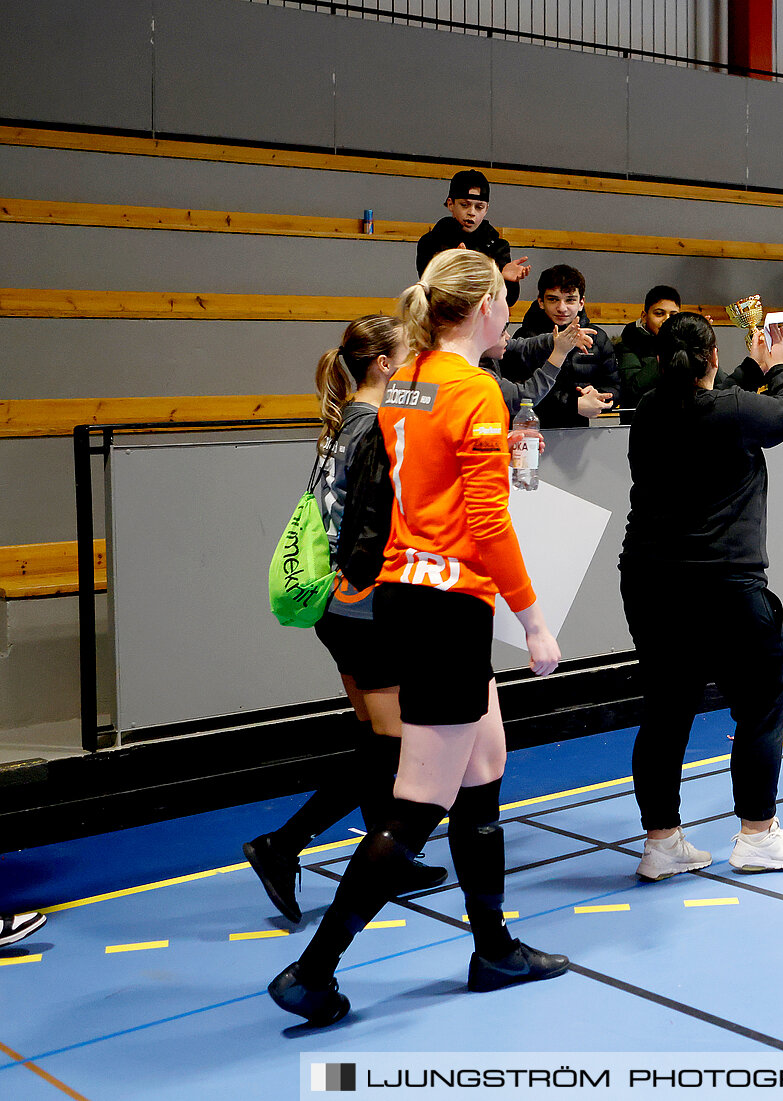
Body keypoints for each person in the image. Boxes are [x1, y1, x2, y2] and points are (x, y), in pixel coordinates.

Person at [269, 251, 568, 1027]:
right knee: (415, 810)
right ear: (482, 309)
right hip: (446, 607)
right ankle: (313, 970)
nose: (512, 308)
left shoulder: (408, 381)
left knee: (487, 764)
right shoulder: (472, 391)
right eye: (506, 297)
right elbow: (488, 519)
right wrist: (533, 617)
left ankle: (494, 946)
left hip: (408, 594)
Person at [245, 316, 448, 926]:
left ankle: (393, 852)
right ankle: (284, 843)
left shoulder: (344, 423)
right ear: (384, 364)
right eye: (408, 354)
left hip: (338, 609)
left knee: (373, 735)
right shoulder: (378, 428)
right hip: (364, 607)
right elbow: (376, 522)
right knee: (391, 743)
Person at [620, 313, 783, 881]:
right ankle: (757, 833)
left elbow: (717, 393)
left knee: (665, 710)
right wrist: (777, 369)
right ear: (711, 358)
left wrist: (751, 366)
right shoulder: (729, 412)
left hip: (651, 582)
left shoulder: (652, 408)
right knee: (759, 703)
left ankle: (661, 843)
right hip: (725, 582)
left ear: (661, 361)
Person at [509, 265, 619, 427]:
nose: (562, 308)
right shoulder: (523, 338)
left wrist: (598, 396)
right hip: (534, 431)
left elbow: (615, 387)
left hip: (582, 435)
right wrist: (573, 404)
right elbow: (519, 394)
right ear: (540, 301)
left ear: (581, 302)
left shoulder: (598, 338)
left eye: (570, 300)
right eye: (553, 299)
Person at [414, 170, 530, 307]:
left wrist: (506, 280)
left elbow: (508, 301)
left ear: (486, 209)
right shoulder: (431, 241)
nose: (472, 213)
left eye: (479, 207)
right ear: (450, 204)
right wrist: (451, 266)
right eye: (465, 205)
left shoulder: (497, 245)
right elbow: (429, 290)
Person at [616, 285, 684, 407]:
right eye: (659, 314)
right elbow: (632, 390)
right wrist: (668, 351)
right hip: (641, 421)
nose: (667, 320)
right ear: (644, 316)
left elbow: (718, 385)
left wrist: (703, 343)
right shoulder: (627, 344)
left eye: (673, 316)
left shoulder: (683, 343)